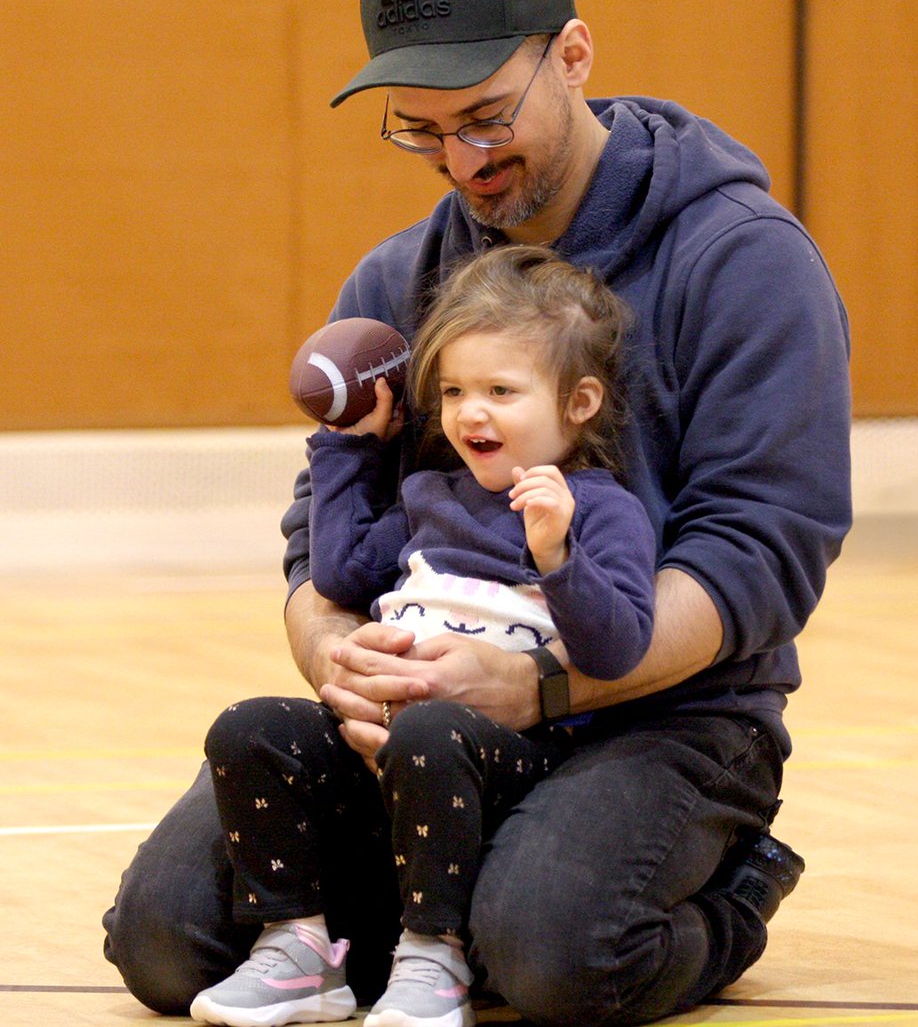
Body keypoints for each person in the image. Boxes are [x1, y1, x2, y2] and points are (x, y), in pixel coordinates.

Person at [103, 0, 852, 1025]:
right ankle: (447, 917)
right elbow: (321, 532)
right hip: (428, 729)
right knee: (168, 943)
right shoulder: (395, 279)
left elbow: (761, 556)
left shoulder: (740, 261)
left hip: (663, 718)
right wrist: (334, 651)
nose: (463, 161)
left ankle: (725, 895)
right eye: (423, 132)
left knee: (552, 958)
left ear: (576, 56)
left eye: (489, 118)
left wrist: (545, 686)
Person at [189, 244, 657, 1027]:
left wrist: (558, 556)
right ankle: (299, 948)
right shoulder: (429, 494)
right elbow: (338, 573)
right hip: (387, 732)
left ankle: (433, 958)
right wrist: (351, 443)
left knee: (435, 733)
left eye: (501, 391)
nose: (471, 412)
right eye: (453, 391)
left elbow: (615, 652)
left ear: (578, 403)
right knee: (249, 729)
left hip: (506, 755)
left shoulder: (598, 511)